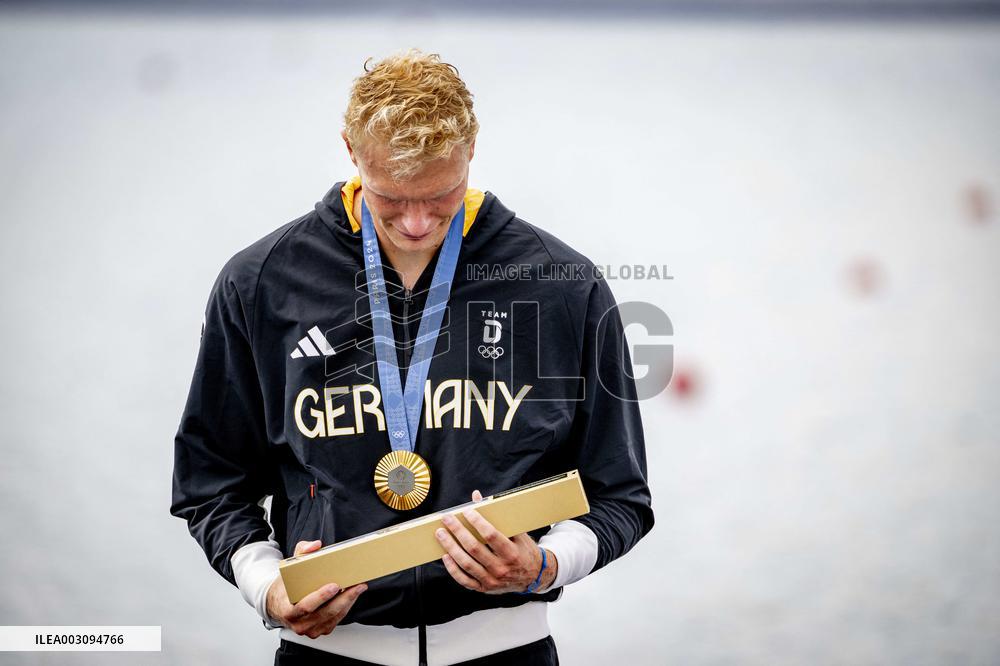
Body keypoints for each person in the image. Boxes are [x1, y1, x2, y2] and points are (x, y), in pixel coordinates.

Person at [170, 49, 654, 666]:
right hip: (326, 656)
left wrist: (545, 566)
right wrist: (267, 586)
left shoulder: (563, 285)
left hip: (508, 653)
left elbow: (621, 495)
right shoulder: (259, 282)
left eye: (441, 194)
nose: (419, 223)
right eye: (392, 198)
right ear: (351, 150)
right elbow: (211, 482)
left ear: (471, 150)